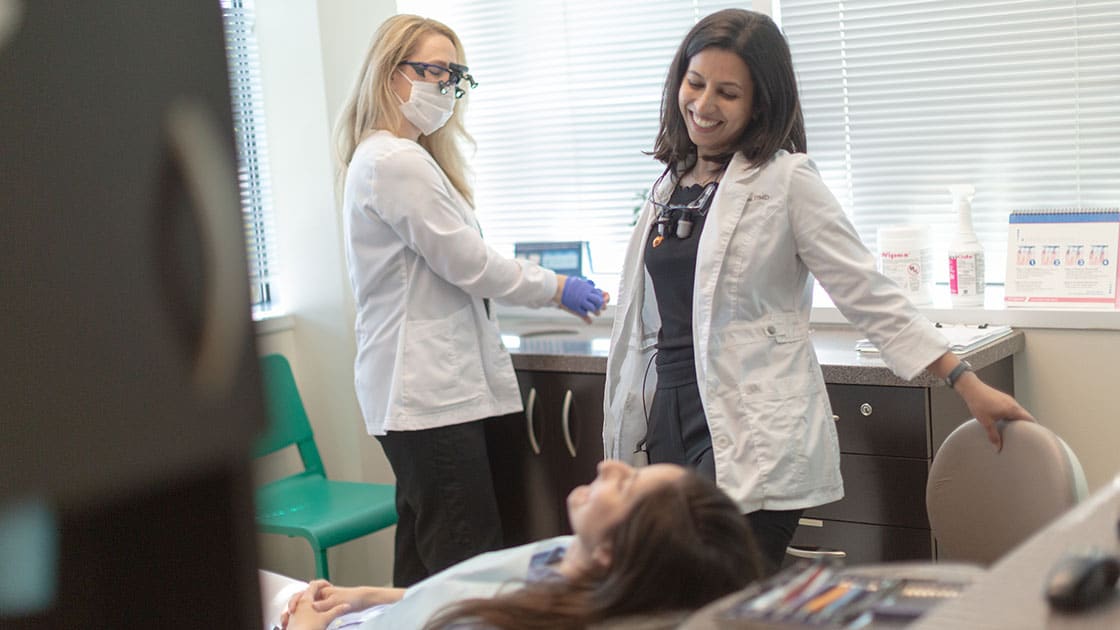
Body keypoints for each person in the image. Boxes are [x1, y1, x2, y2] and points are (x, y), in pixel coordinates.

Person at [603, 8, 1035, 573]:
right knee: (681, 596)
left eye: (728, 92)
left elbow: (867, 291)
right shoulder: (671, 183)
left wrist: (965, 381)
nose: (704, 105)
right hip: (670, 415)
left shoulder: (787, 181)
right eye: (695, 82)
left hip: (747, 423)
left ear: (761, 102)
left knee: (726, 596)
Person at [332, 14, 607, 588]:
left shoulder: (394, 157)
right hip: (427, 396)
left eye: (454, 75)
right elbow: (470, 263)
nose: (444, 87)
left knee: (421, 571)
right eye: (431, 70)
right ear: (389, 73)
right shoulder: (394, 161)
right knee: (468, 573)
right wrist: (558, 287)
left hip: (417, 396)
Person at [276, 461, 765, 630]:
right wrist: (369, 595)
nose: (611, 465)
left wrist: (303, 625)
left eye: (627, 484)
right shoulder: (567, 559)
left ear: (610, 556)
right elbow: (470, 588)